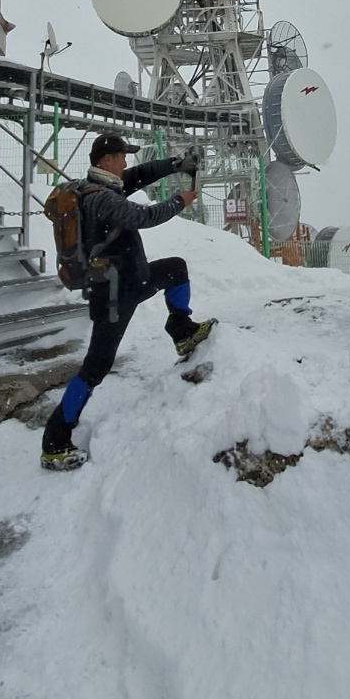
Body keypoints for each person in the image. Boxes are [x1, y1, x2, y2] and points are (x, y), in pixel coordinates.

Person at [40, 132, 215, 470]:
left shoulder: (100, 186)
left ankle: (182, 330)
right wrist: (180, 201)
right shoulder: (102, 199)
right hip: (114, 295)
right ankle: (55, 440)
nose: (125, 163)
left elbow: (140, 175)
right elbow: (143, 217)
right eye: (121, 156)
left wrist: (176, 164)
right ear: (107, 160)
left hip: (133, 281)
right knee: (95, 368)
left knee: (176, 269)